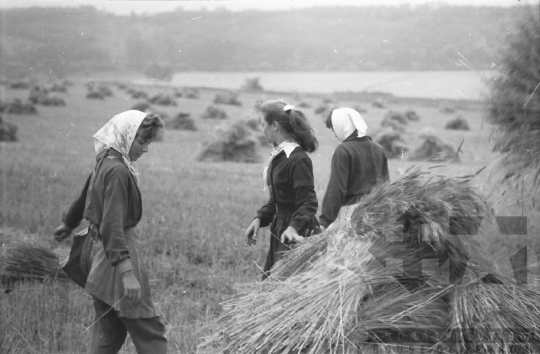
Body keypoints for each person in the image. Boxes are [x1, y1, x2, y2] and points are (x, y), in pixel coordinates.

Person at [53, 110, 168, 354]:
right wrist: (127, 272)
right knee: (148, 329)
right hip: (118, 255)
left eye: (148, 142)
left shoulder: (106, 159)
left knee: (109, 328)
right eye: (142, 141)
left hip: (99, 252)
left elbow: (86, 194)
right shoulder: (118, 171)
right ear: (126, 137)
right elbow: (112, 224)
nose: (146, 149)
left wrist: (68, 224)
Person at [244, 100, 320, 280]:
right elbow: (280, 199)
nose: (262, 130)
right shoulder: (279, 157)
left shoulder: (297, 159)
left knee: (286, 288)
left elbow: (308, 202)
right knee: (273, 285)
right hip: (281, 228)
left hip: (295, 233)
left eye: (264, 125)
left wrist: (294, 228)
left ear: (275, 126)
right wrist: (260, 218)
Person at [318, 107, 390, 231]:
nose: (335, 135)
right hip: (377, 213)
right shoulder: (378, 148)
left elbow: (336, 188)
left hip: (352, 215)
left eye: (334, 129)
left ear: (342, 126)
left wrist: (324, 221)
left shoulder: (344, 150)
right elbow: (386, 185)